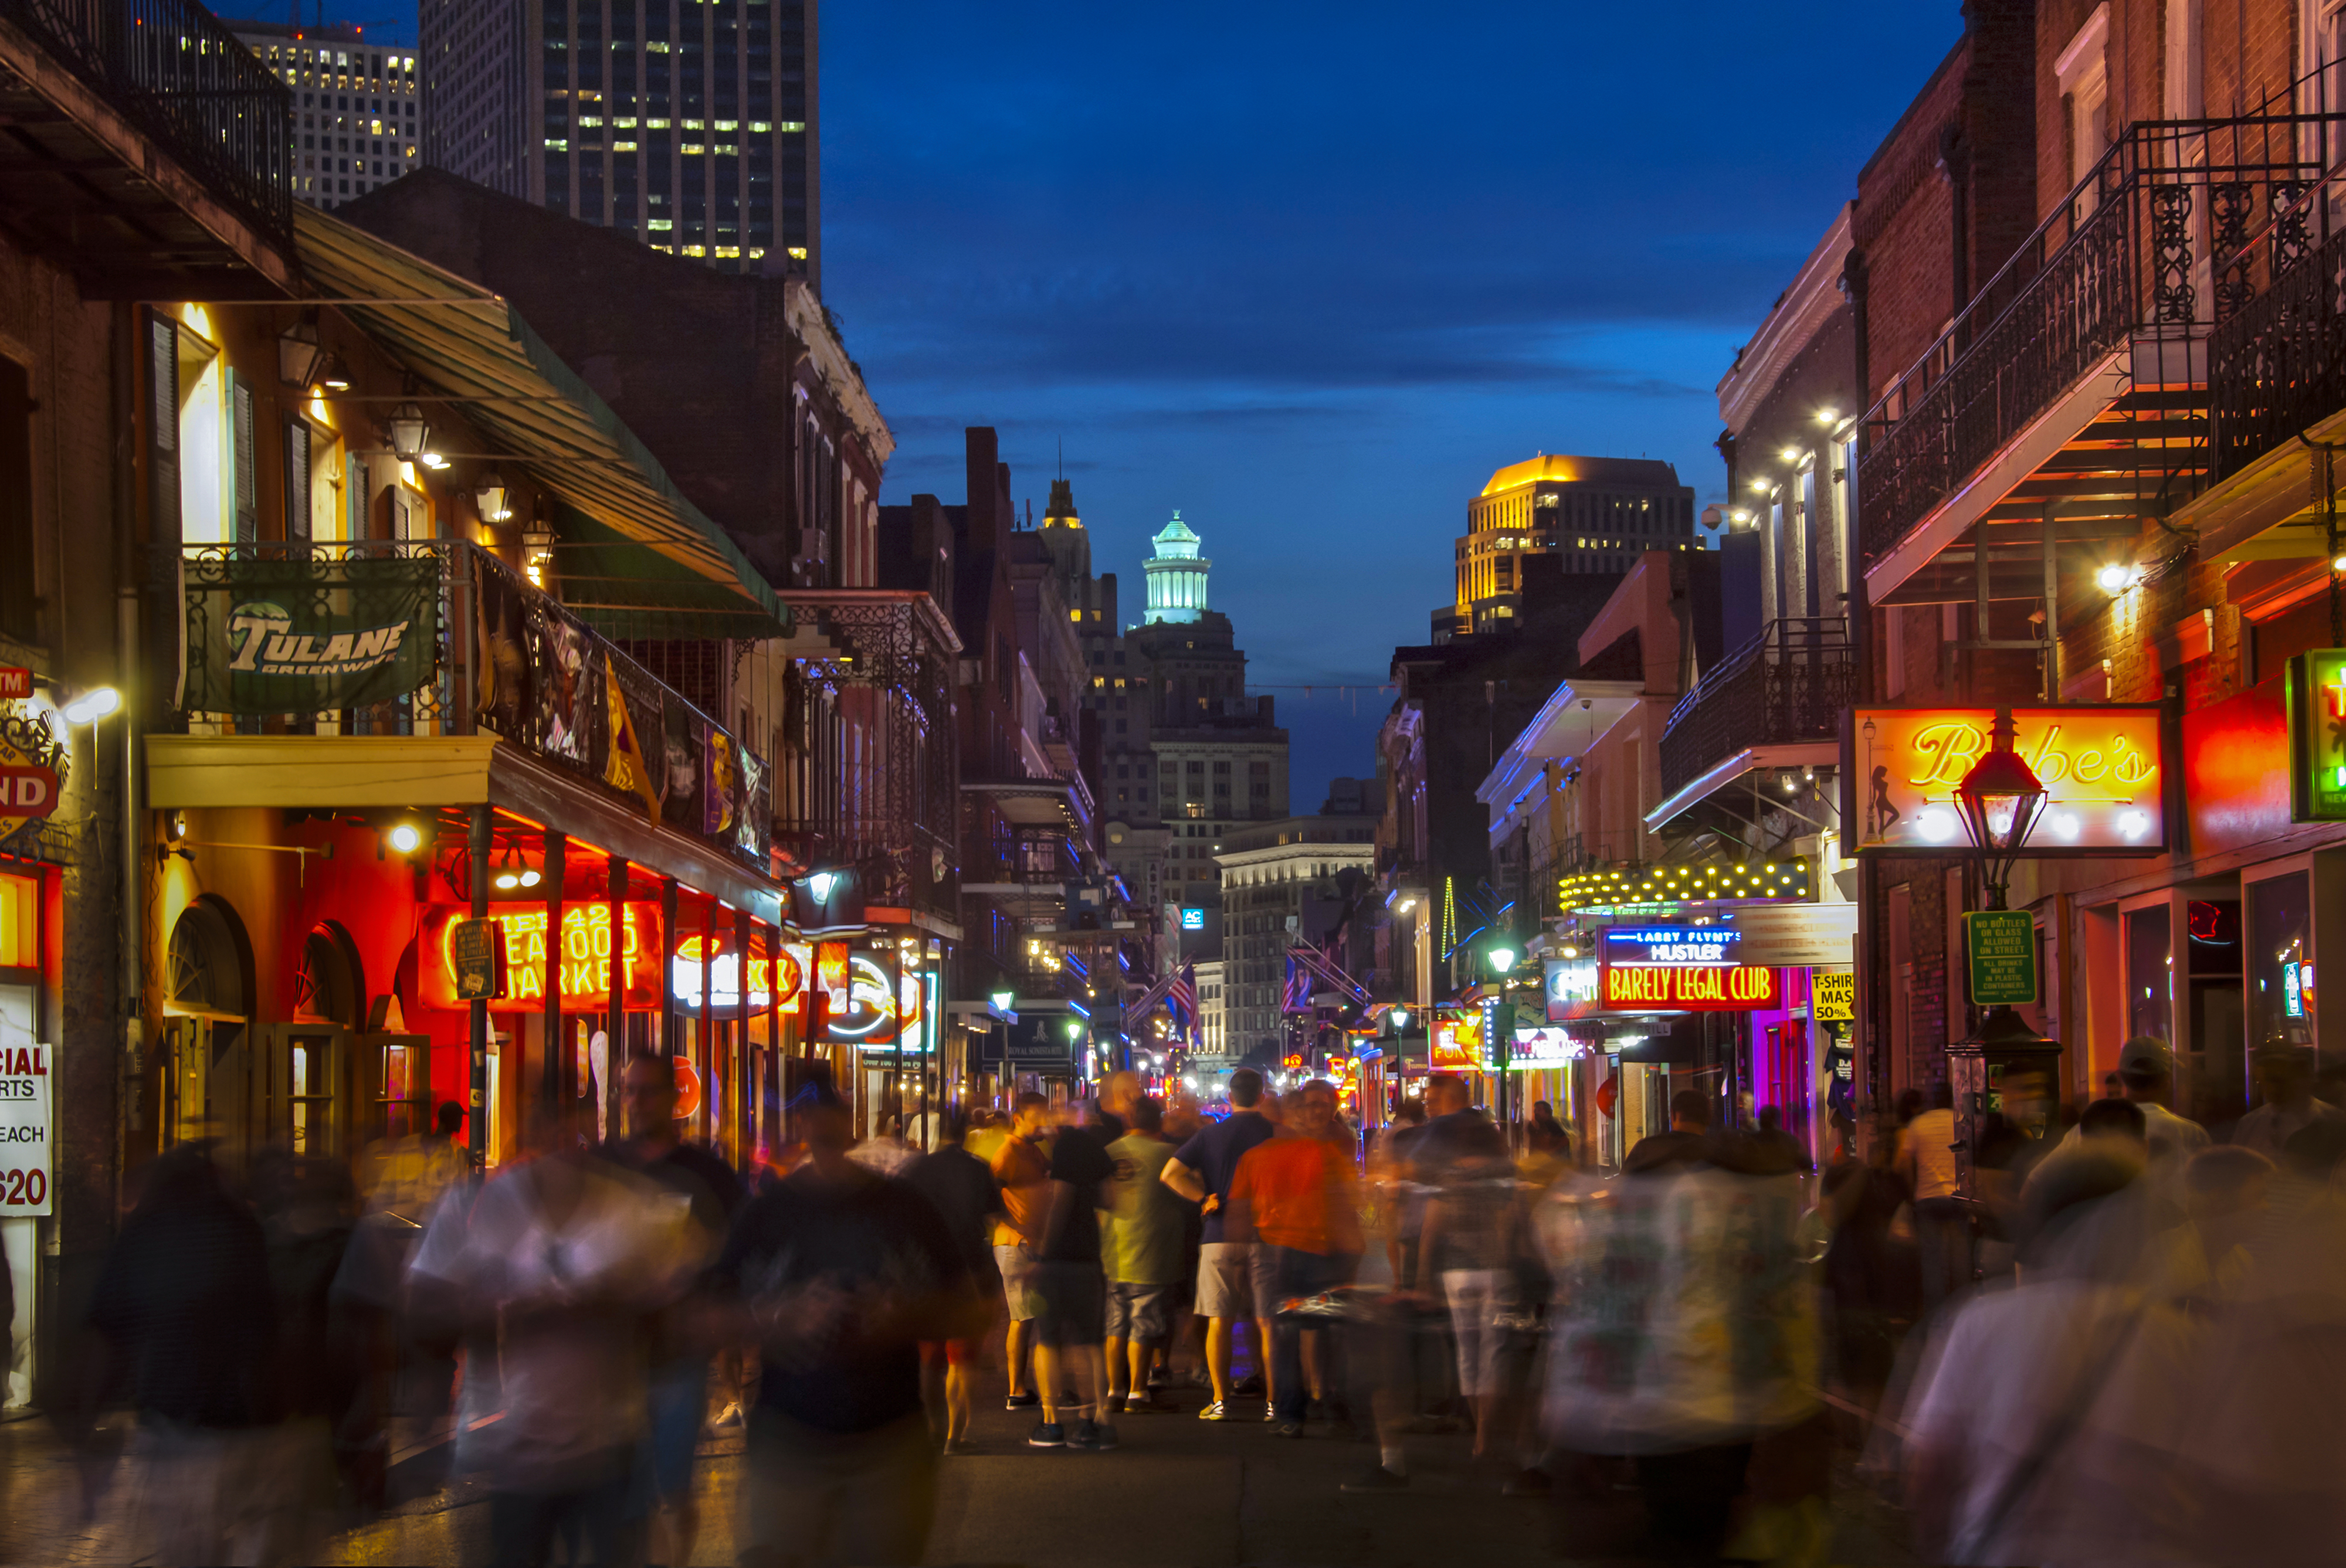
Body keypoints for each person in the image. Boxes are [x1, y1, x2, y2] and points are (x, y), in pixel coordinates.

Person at [408, 1105, 705, 1568]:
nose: (564, 1141)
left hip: (608, 1449)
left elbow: (678, 1310)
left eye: (573, 1129)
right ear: (532, 1131)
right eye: (552, 1127)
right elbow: (424, 1305)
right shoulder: (482, 1203)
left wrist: (619, 1300)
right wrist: (498, 1308)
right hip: (515, 1454)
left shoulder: (626, 1203)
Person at [713, 1086, 981, 1568]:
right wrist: (780, 1317)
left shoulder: (903, 1208)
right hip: (789, 1439)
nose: (820, 1127)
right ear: (799, 1126)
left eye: (828, 1113)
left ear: (849, 1119)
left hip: (887, 1438)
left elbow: (971, 1308)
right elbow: (703, 1314)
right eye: (808, 1114)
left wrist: (903, 1315)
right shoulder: (768, 1214)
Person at [84, 1142, 280, 1565]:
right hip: (239, 1422)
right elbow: (269, 1325)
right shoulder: (244, 1230)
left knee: (185, 1547)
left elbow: (110, 1334)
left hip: (171, 1419)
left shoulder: (144, 1235)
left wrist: (92, 1421)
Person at [609, 1053, 746, 1568]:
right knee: (622, 1494)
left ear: (674, 1098)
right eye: (628, 1091)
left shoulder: (706, 1174)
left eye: (646, 1091)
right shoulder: (606, 1166)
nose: (636, 1102)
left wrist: (718, 1308)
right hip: (611, 1363)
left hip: (676, 1360)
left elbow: (741, 1250)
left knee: (672, 1487)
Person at [1228, 1079, 1362, 1438]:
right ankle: (1332, 1404)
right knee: (1328, 1330)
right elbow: (1347, 1202)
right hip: (1321, 1251)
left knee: (1284, 1334)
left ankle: (1290, 1414)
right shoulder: (1323, 1154)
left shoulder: (1255, 1157)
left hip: (1276, 1251)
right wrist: (1353, 1250)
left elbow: (1239, 1212)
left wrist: (1239, 1255)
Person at [1409, 1074, 1516, 1460]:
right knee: (1494, 1353)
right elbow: (1507, 1223)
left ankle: (1479, 1435)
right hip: (1493, 1269)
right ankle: (1487, 1431)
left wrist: (1423, 1274)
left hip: (1456, 1270)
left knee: (1467, 1354)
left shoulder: (1448, 1175)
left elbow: (1431, 1227)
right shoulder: (1503, 1172)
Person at [1162, 1066, 1278, 1418]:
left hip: (1219, 1231)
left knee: (1219, 1319)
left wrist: (1202, 1198)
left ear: (1230, 1098)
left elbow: (1169, 1174)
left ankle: (1220, 1400)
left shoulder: (1211, 1135)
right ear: (1262, 1096)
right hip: (1265, 1232)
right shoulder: (1275, 1134)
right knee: (1267, 1320)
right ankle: (1275, 1402)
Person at [904, 1104, 1004, 1452]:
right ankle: (955, 1435)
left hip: (927, 1274)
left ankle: (933, 1427)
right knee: (964, 1359)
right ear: (965, 1135)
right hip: (969, 1273)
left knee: (930, 1360)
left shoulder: (918, 1168)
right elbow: (994, 1215)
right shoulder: (977, 1169)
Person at [1026, 1099, 1117, 1450]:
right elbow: (1110, 1200)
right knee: (1090, 1342)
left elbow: (1061, 1197)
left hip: (1058, 1260)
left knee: (1048, 1341)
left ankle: (1050, 1423)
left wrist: (1043, 1253)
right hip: (1088, 1257)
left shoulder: (1065, 1146)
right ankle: (1095, 1421)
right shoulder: (1096, 1149)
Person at [1101, 1097, 1186, 1414]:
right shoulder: (1168, 1154)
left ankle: (1114, 1391)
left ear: (1129, 1120)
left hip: (1114, 1249)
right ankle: (1138, 1392)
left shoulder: (1109, 1153)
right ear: (1159, 1122)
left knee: (1116, 1323)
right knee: (1144, 1323)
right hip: (1153, 1252)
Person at [988, 1092, 1053, 1411]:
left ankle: (1027, 1387)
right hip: (1016, 1244)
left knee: (1031, 1316)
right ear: (1019, 1118)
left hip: (1029, 1242)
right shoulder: (1008, 1153)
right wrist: (1019, 1225)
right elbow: (991, 1194)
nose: (1044, 1123)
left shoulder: (1034, 1151)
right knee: (1023, 1316)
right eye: (1037, 1117)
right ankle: (1017, 1389)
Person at [1899, 1081, 1969, 1311]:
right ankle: (1962, 1306)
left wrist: (1912, 1190)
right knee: (1961, 1256)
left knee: (1932, 1260)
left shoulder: (1919, 1124)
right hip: (1957, 1196)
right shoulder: (1962, 1122)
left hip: (1927, 1197)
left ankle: (1936, 1313)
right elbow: (1968, 1158)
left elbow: (1903, 1163)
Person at [2233, 1048, 2340, 1162]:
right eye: (2267, 1077)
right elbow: (2236, 1169)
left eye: (2279, 1077)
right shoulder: (2249, 1124)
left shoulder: (2333, 1120)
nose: (2273, 1086)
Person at [1625, 1088, 1715, 1174]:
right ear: (1709, 1117)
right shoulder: (1718, 1155)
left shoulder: (1645, 1150)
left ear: (1673, 1114)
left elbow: (1623, 1186)